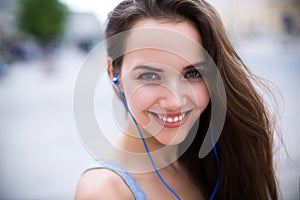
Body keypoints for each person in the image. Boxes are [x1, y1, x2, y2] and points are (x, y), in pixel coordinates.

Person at [75, 0, 278, 199]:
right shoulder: (104, 191)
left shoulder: (209, 159)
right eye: (149, 75)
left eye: (193, 73)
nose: (174, 102)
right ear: (113, 73)